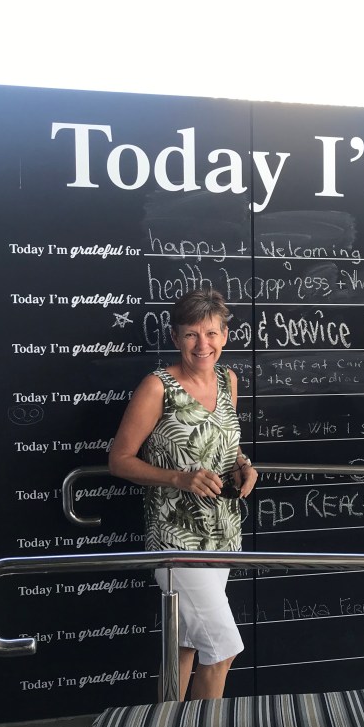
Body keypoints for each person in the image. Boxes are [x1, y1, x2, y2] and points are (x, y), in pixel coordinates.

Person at [109, 288, 257, 700]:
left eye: (211, 333)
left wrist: (243, 464)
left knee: (187, 644)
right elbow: (119, 460)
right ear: (176, 338)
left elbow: (224, 443)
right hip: (175, 540)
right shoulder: (157, 387)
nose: (202, 344)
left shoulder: (228, 381)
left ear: (225, 335)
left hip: (223, 534)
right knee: (223, 647)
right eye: (191, 334)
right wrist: (179, 478)